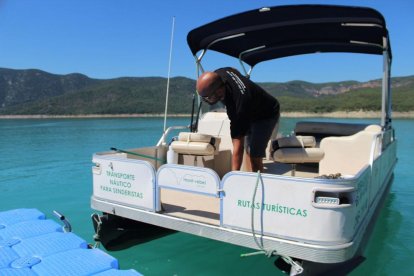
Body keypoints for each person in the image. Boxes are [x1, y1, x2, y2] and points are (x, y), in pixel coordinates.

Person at [196, 67, 280, 172]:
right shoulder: (220, 73)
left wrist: (232, 176)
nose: (206, 100)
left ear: (219, 90)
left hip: (266, 113)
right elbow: (233, 69)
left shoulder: (237, 106)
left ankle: (258, 183)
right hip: (250, 108)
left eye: (208, 97)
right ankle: (249, 178)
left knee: (254, 154)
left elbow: (238, 146)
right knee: (248, 149)